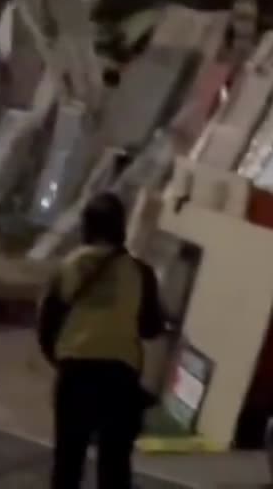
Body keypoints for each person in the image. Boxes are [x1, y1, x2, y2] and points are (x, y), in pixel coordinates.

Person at [37, 193, 167, 489]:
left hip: (74, 373)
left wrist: (62, 361)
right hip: (118, 377)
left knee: (67, 464)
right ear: (121, 226)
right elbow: (150, 328)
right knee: (115, 465)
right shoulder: (140, 272)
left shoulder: (65, 268)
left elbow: (46, 326)